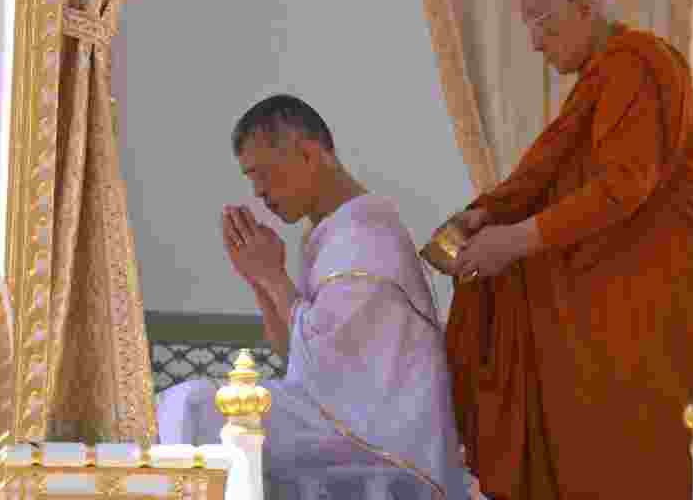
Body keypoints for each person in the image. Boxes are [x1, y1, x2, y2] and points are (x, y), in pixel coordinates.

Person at [441, 0, 693, 498]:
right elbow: (552, 167)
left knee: (646, 453)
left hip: (670, 296)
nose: (535, 42)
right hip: (626, 296)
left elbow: (622, 185)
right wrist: (491, 211)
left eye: (542, 20)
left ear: (587, 6)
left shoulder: (638, 61)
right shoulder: (598, 79)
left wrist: (513, 241)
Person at [157, 94, 467, 499]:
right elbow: (294, 357)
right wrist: (258, 278)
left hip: (381, 438)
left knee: (197, 406)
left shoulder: (365, 236)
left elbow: (325, 362)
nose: (259, 192)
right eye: (250, 180)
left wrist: (272, 275)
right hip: (342, 417)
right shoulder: (331, 233)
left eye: (263, 174)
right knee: (195, 406)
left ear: (308, 154)